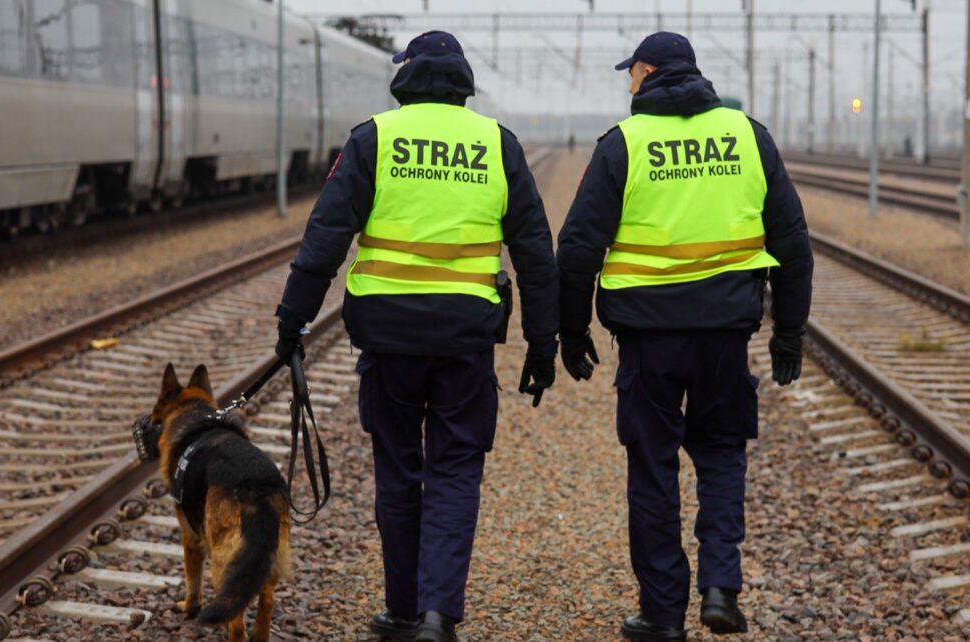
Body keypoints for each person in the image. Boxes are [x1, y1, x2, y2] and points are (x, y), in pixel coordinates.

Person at [274, 30, 558, 642]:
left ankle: (402, 611)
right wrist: (542, 341)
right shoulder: (496, 143)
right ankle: (437, 616)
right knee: (456, 470)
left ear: (404, 75)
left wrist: (292, 321)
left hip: (389, 337)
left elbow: (324, 239)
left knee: (398, 470)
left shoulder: (374, 139)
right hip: (465, 337)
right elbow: (535, 250)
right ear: (462, 82)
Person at [556, 32, 813, 642]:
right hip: (725, 334)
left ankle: (663, 614)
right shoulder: (748, 137)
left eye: (631, 74)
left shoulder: (625, 144)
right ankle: (721, 587)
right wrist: (789, 333)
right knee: (722, 454)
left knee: (653, 467)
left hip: (649, 340)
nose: (628, 84)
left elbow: (576, 250)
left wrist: (570, 332)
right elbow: (794, 246)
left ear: (646, 72)